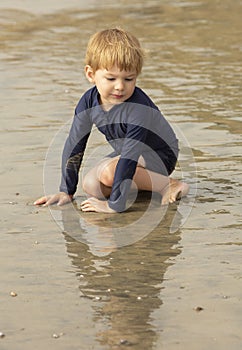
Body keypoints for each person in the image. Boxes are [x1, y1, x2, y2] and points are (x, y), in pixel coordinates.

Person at [34, 28, 189, 213]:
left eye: (129, 79)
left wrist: (114, 205)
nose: (120, 86)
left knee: (109, 173)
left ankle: (168, 185)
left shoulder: (139, 108)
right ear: (91, 75)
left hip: (160, 154)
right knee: (92, 185)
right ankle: (147, 187)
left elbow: (131, 154)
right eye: (111, 78)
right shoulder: (88, 102)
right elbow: (75, 143)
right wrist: (66, 191)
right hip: (131, 155)